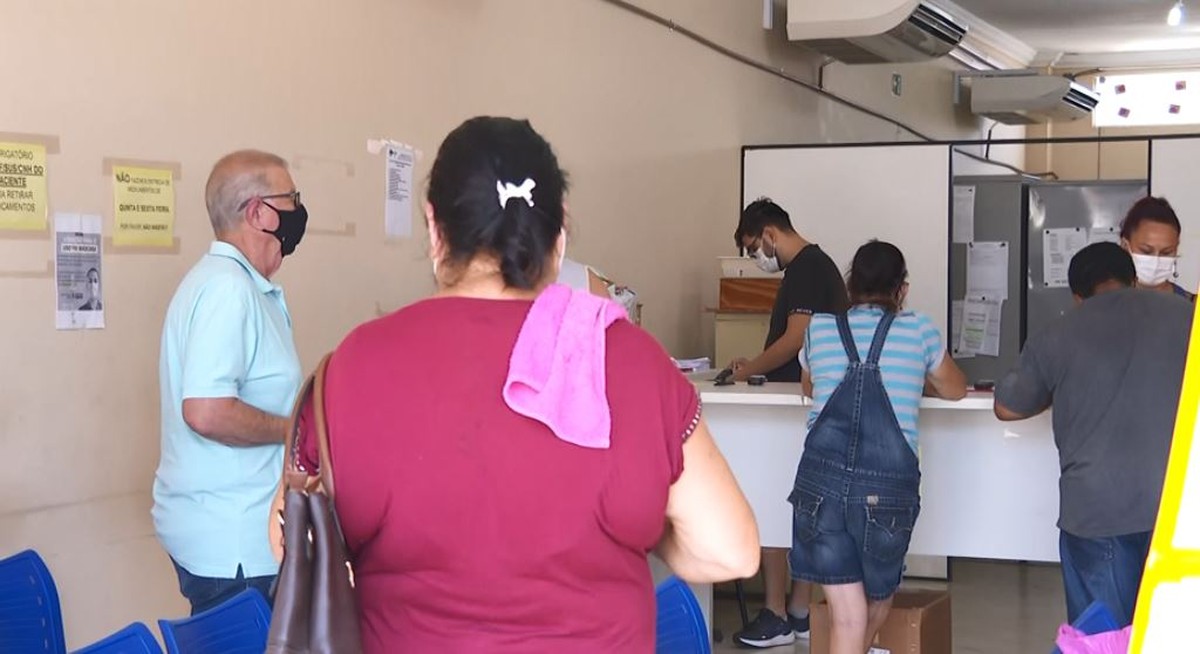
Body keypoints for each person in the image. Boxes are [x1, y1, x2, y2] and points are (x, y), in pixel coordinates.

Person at [281, 116, 759, 653]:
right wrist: (636, 529)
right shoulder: (628, 360)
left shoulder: (354, 364)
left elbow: (287, 541)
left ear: (434, 228)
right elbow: (729, 551)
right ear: (558, 236)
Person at [994, 242, 1191, 627]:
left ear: (1077, 295)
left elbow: (1008, 407)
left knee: (1101, 638)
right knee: (1173, 633)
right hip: (1177, 506)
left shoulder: (1056, 334)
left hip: (1096, 510)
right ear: (1133, 279)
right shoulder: (1187, 317)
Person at [153, 149, 309, 615]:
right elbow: (206, 410)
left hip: (229, 535)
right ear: (258, 212)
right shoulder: (227, 289)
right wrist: (293, 431)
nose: (298, 211)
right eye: (291, 199)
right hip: (235, 545)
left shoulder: (231, 284)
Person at [792, 241, 965, 654]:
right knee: (875, 602)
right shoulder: (919, 330)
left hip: (820, 485)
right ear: (901, 290)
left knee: (846, 615)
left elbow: (809, 385)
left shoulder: (820, 328)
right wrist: (914, 379)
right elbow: (955, 388)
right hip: (885, 491)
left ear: (851, 287)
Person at [728, 197, 850, 648]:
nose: (758, 258)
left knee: (773, 502)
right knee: (797, 506)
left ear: (770, 235)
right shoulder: (815, 267)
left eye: (754, 247)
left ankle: (776, 611)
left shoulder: (806, 269)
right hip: (799, 397)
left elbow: (796, 338)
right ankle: (798, 611)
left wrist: (747, 370)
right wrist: (755, 364)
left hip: (793, 404)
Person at [1120, 195, 1195, 302]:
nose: (1156, 261)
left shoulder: (1194, 307)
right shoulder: (1103, 306)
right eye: (1146, 251)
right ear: (1125, 246)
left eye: (1166, 252)